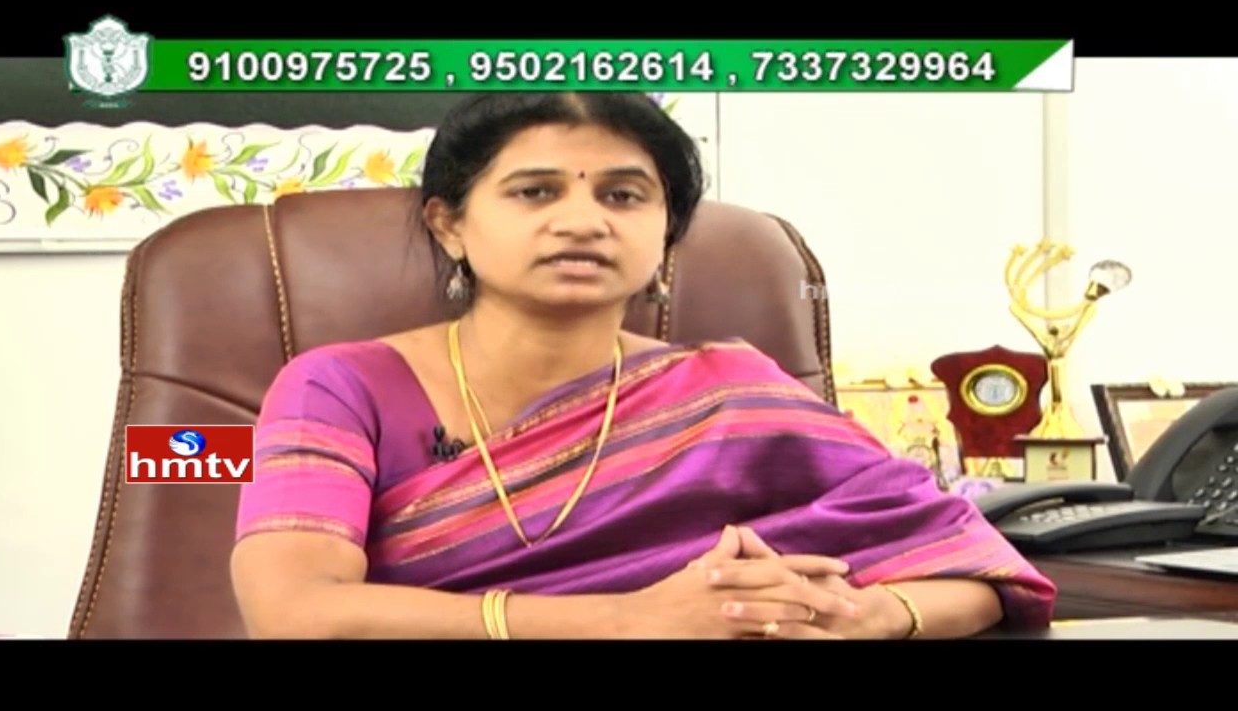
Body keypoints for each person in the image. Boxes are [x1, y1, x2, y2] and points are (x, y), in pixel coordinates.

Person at [229, 92, 1057, 640]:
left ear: (666, 234)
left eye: (624, 196)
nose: (583, 221)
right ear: (450, 225)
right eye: (535, 192)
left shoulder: (734, 395)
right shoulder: (338, 387)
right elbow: (294, 612)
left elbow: (979, 569)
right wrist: (628, 618)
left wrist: (878, 614)